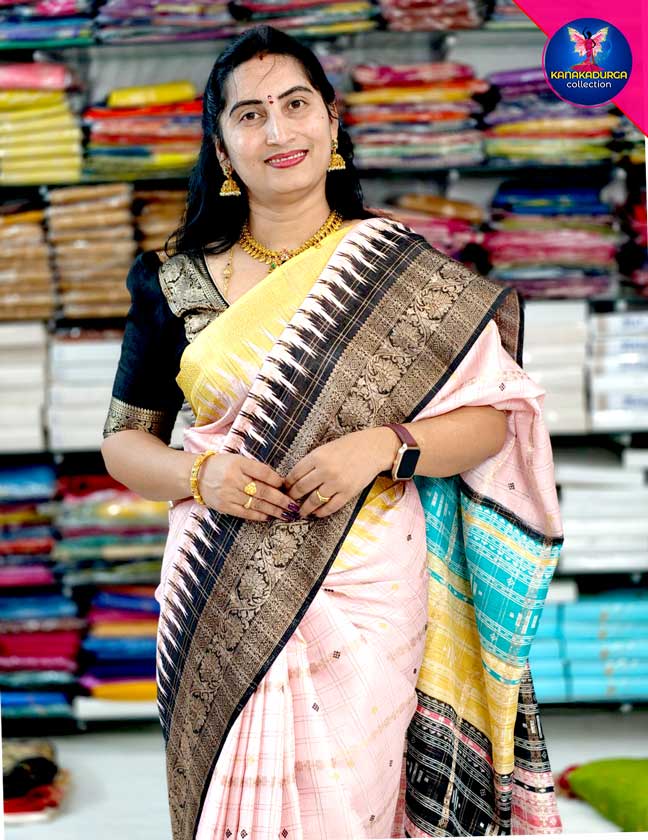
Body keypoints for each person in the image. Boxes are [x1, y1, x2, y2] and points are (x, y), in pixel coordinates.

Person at [101, 25, 564, 840]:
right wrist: (201, 476)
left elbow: (494, 423)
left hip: (370, 583)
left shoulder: (401, 270)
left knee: (355, 802)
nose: (278, 131)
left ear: (332, 122)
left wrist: (386, 447)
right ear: (222, 148)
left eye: (295, 105)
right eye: (250, 115)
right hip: (220, 581)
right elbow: (123, 443)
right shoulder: (172, 279)